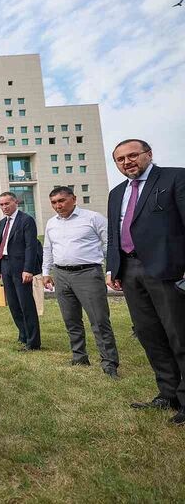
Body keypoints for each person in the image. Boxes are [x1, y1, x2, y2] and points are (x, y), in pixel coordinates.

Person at [106, 139, 185, 425]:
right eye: (120, 159)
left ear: (148, 155)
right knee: (149, 334)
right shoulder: (116, 193)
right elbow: (115, 234)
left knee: (178, 334)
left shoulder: (175, 178)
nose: (127, 162)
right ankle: (168, 393)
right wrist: (113, 267)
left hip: (167, 269)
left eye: (132, 155)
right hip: (130, 271)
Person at [42, 186, 119, 378]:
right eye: (54, 202)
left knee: (99, 320)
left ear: (74, 199)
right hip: (61, 275)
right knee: (71, 319)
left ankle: (109, 363)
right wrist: (46, 272)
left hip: (88, 274)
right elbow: (48, 249)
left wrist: (111, 270)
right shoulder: (51, 223)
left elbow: (110, 244)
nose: (58, 206)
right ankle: (79, 357)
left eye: (61, 201)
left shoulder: (93, 218)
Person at [0, 191, 42, 351]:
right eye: (1, 204)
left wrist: (28, 269)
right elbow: (1, 244)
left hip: (21, 268)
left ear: (16, 202)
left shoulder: (26, 220)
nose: (4, 207)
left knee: (26, 304)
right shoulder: (3, 222)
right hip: (6, 266)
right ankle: (23, 335)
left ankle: (33, 342)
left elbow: (31, 246)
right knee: (14, 304)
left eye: (7, 203)